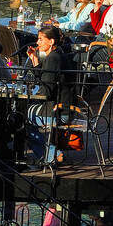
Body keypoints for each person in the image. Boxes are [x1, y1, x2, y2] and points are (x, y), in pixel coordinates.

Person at [26, 24, 71, 170]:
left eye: (40, 39)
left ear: (51, 41)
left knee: (21, 120)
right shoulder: (58, 54)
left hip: (59, 110)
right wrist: (35, 62)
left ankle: (51, 156)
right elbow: (48, 78)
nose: (37, 43)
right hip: (63, 106)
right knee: (23, 116)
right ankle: (51, 155)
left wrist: (31, 92)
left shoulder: (53, 58)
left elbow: (46, 91)